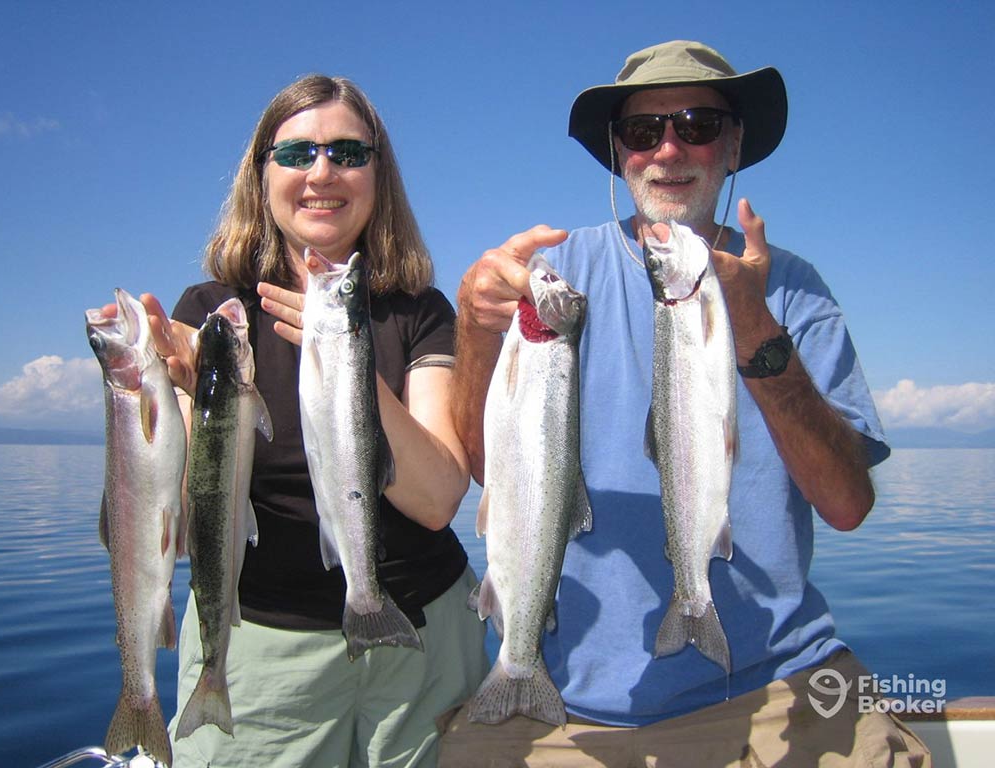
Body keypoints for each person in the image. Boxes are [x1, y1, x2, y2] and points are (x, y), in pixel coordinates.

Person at [440, 41, 931, 766]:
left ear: (733, 145)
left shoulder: (793, 288)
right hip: (571, 699)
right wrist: (475, 328)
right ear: (619, 153)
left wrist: (754, 323)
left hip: (778, 678)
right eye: (644, 131)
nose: (669, 149)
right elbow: (490, 470)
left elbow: (847, 504)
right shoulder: (552, 278)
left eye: (697, 125)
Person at [127, 74, 487, 767]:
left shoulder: (421, 311)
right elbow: (172, 528)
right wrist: (160, 401)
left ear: (378, 175)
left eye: (349, 152)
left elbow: (440, 498)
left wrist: (343, 349)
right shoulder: (211, 314)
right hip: (262, 654)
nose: (323, 172)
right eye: (296, 154)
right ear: (261, 174)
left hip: (425, 640)